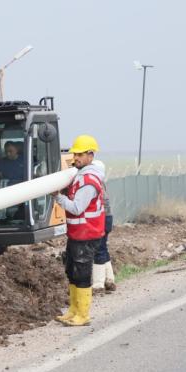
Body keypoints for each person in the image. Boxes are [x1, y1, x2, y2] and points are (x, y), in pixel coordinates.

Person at [54, 135, 106, 326]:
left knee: (82, 272)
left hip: (87, 234)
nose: (75, 157)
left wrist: (57, 197)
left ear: (90, 156)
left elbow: (76, 208)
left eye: (79, 154)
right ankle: (73, 310)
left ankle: (83, 314)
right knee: (72, 270)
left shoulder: (89, 181)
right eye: (74, 154)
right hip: (78, 233)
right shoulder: (79, 176)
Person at [90, 159, 116, 292]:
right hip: (107, 218)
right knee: (103, 248)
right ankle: (109, 279)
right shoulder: (101, 182)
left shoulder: (95, 184)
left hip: (102, 218)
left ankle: (98, 283)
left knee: (99, 249)